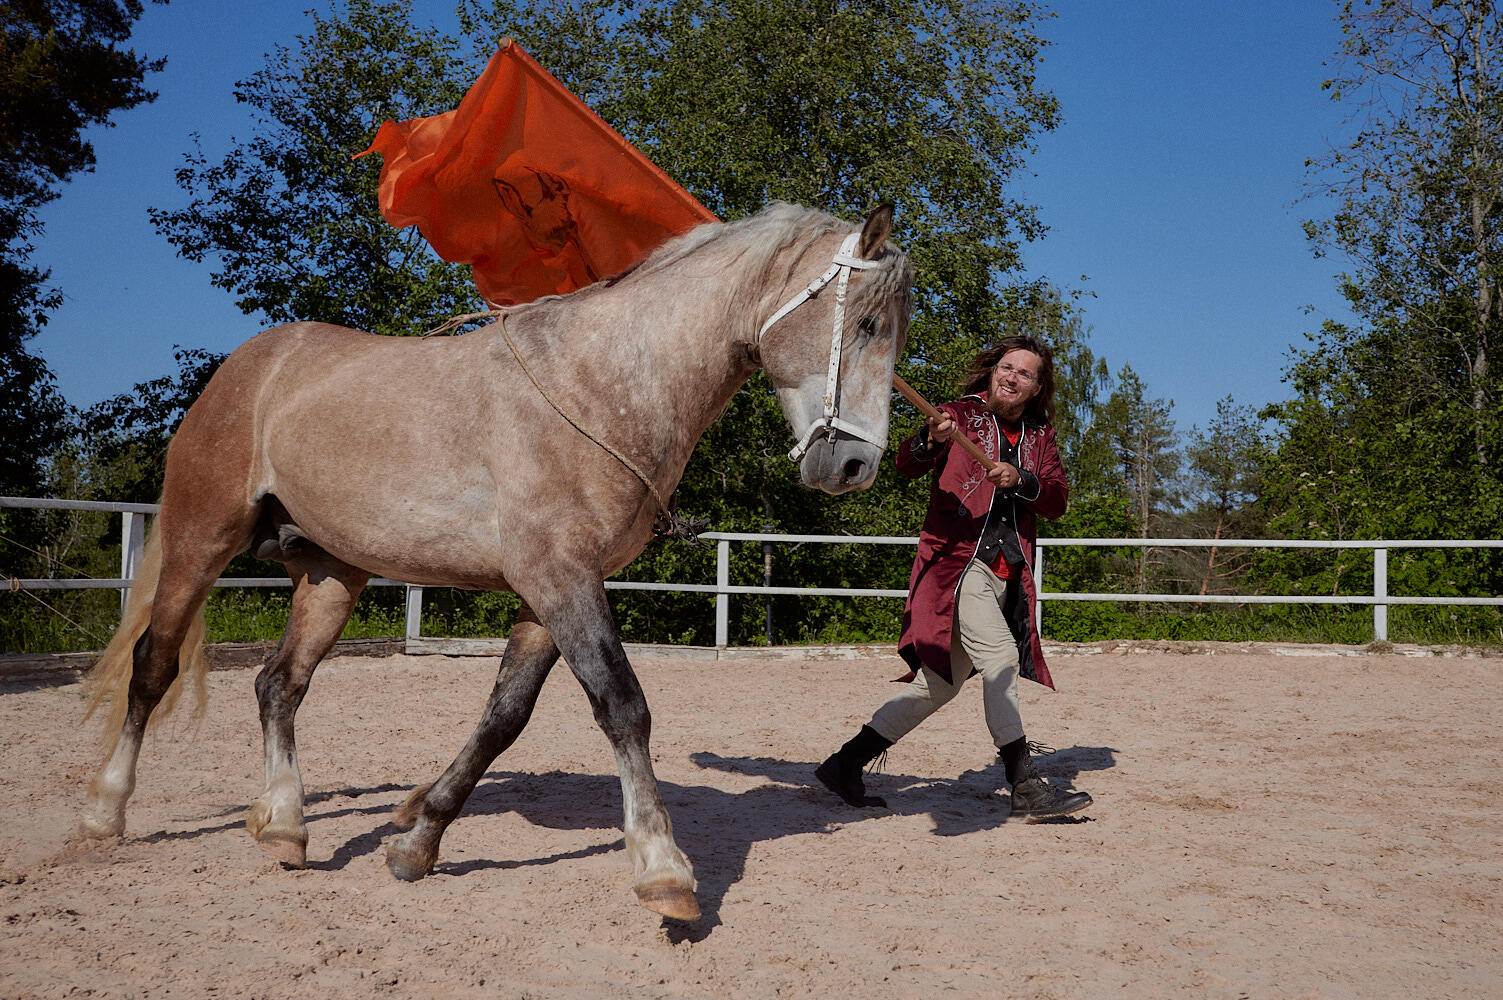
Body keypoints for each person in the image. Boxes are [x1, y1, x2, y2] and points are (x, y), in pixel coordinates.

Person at [816, 335, 1092, 822]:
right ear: (992, 372)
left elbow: (1057, 500)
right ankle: (1024, 784)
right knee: (1001, 657)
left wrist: (1022, 480)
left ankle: (845, 764)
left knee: (938, 686)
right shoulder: (957, 416)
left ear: (1036, 388)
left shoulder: (1039, 435)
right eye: (1006, 368)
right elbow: (904, 464)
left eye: (1023, 374)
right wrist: (930, 440)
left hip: (1005, 571)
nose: (1011, 377)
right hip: (957, 566)